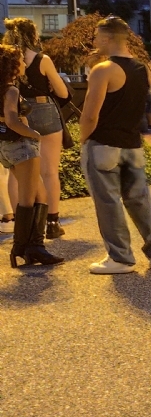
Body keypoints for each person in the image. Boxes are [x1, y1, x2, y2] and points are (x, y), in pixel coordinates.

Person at [78, 17, 151, 274]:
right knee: (139, 200)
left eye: (97, 37)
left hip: (104, 145)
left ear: (108, 38)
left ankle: (120, 258)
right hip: (133, 144)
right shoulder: (141, 68)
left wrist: (82, 139)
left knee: (108, 202)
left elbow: (90, 115)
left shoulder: (103, 70)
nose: (95, 41)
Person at [4, 17, 71, 238]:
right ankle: (52, 222)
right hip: (44, 110)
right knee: (49, 171)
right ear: (32, 34)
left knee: (17, 173)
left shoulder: (6, 59)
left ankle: (23, 225)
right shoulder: (42, 59)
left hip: (15, 111)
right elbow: (62, 93)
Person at [2, 44, 64, 267]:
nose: (24, 63)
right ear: (11, 65)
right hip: (22, 148)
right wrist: (34, 134)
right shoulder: (11, 90)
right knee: (29, 200)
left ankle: (32, 247)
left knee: (40, 195)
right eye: (20, 60)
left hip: (9, 148)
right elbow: (11, 119)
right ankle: (24, 248)